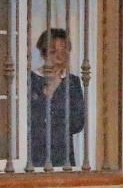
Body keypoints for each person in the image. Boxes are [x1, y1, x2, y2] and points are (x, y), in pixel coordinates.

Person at [29, 28, 85, 168]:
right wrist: (49, 91)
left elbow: (77, 123)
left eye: (64, 51)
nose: (60, 57)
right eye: (53, 52)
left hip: (63, 159)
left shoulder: (72, 82)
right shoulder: (30, 80)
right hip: (34, 159)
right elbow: (30, 120)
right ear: (43, 53)